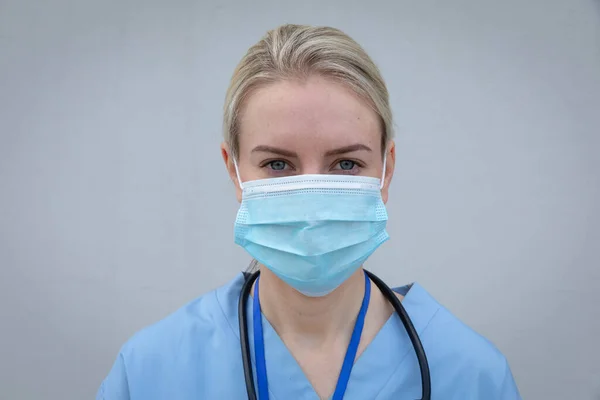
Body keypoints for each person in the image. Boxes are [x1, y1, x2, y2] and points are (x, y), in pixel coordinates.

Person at [97, 24, 521, 400]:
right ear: (234, 170)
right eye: (278, 165)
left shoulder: (472, 374)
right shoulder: (152, 370)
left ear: (386, 171)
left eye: (346, 164)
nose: (313, 200)